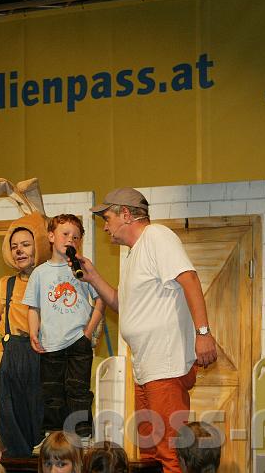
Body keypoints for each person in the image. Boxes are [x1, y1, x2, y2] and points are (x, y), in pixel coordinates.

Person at [73, 188, 218, 473]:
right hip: (146, 369)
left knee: (170, 452)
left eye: (107, 218)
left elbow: (189, 278)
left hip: (165, 366)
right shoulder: (133, 255)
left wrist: (203, 333)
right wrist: (93, 276)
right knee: (150, 452)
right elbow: (122, 304)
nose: (105, 226)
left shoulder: (156, 237)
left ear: (126, 214)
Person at [23, 214, 104, 443]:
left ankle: (82, 437)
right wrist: (33, 332)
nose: (70, 239)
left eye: (76, 237)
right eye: (65, 234)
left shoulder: (83, 268)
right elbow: (33, 307)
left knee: (78, 391)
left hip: (78, 341)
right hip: (51, 344)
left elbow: (100, 300)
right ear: (51, 236)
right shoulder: (40, 273)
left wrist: (88, 332)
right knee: (52, 392)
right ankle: (55, 438)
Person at [0, 212, 52, 457]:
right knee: (11, 424)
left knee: (41, 420)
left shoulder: (52, 281)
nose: (19, 250)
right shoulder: (6, 284)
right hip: (12, 356)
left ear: (39, 246)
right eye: (14, 246)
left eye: (26, 244)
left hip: (42, 356)